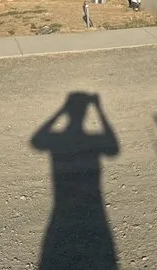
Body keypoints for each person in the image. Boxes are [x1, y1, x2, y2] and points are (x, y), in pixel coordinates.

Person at [31, 92, 120, 269]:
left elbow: (36, 141)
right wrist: (100, 110)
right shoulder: (93, 139)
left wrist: (61, 110)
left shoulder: (57, 139)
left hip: (62, 205)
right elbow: (113, 149)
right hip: (93, 205)